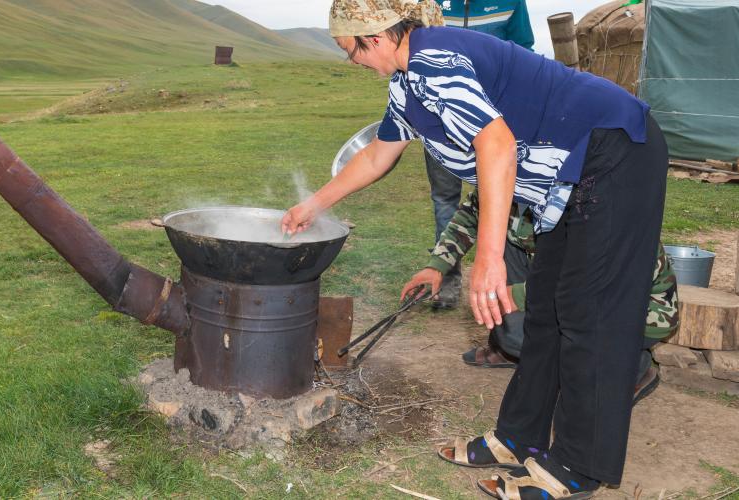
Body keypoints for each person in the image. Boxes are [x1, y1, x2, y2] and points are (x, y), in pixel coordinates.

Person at [281, 1, 669, 497]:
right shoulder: (407, 83)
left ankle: (576, 466)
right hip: (567, 176)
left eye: (349, 52)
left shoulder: (434, 61)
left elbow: (497, 145)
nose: (351, 62)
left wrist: (487, 259)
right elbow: (379, 153)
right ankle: (517, 436)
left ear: (374, 39)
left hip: (612, 153)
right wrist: (313, 204)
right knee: (550, 310)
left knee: (591, 314)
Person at [401, 191, 679, 404]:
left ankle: (633, 369)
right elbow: (471, 214)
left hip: (633, 309)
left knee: (573, 367)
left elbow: (583, 282)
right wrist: (436, 266)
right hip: (559, 284)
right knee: (499, 242)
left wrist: (516, 296)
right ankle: (511, 348)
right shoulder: (505, 171)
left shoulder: (583, 197)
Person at [423, 0, 534, 310]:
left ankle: (506, 287)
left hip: (496, 122)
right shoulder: (430, 3)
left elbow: (522, 50)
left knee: (501, 198)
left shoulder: (510, 2)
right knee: (445, 199)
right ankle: (445, 281)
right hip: (442, 121)